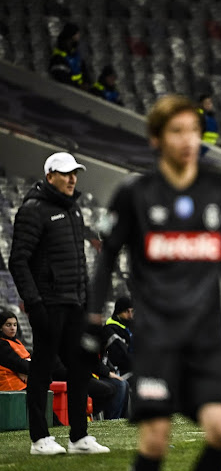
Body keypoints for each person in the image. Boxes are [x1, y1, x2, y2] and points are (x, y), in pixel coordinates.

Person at [86, 94, 221, 471]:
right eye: (176, 131)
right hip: (157, 339)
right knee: (156, 438)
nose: (187, 139)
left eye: (193, 130)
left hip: (206, 340)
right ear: (156, 139)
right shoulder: (135, 194)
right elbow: (106, 258)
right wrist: (93, 317)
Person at [9, 151, 109, 455]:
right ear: (49, 175)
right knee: (42, 371)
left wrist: (89, 303)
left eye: (75, 173)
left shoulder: (73, 210)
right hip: (49, 305)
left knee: (80, 369)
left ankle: (79, 437)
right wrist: (34, 304)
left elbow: (79, 262)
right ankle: (39, 439)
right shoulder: (33, 210)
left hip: (75, 304)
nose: (72, 178)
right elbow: (18, 261)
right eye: (65, 173)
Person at [102, 295, 134, 376]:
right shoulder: (111, 329)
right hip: (120, 371)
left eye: (132, 311)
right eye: (127, 312)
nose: (130, 315)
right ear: (119, 312)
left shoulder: (129, 326)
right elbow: (121, 357)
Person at [48, 23, 87, 89]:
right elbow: (62, 79)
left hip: (80, 92)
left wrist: (86, 84)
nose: (78, 37)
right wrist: (79, 87)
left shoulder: (76, 53)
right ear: (70, 37)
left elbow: (84, 71)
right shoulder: (58, 58)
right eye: (76, 35)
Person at [0, 309, 30, 391]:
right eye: (8, 325)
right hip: (10, 386)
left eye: (15, 325)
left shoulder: (17, 342)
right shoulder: (2, 344)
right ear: (1, 327)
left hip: (22, 383)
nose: (12, 328)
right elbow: (17, 363)